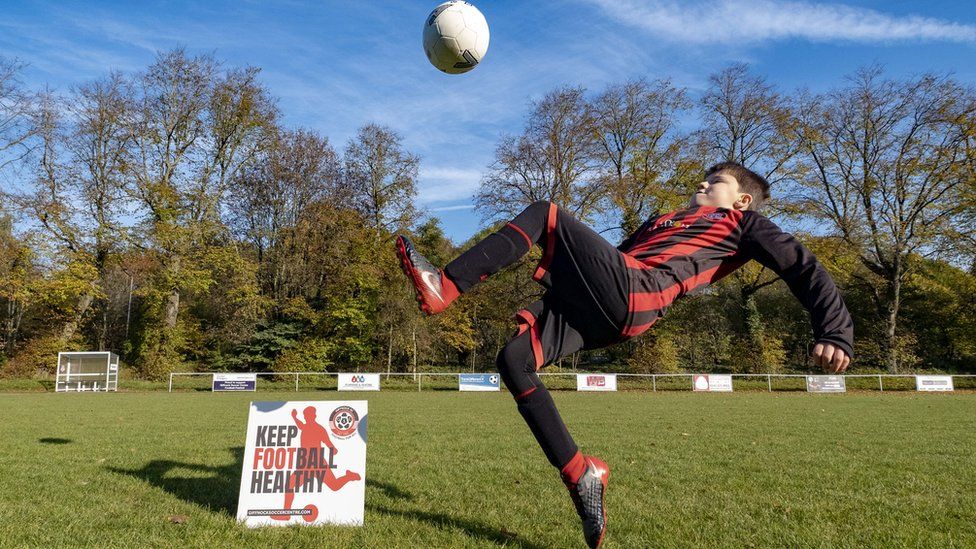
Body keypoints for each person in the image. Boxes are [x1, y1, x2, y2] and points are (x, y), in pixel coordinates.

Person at [395, 161, 854, 548]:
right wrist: (550, 304)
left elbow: (803, 266)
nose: (702, 184)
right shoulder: (659, 221)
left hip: (641, 293)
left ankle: (447, 284)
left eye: (715, 182)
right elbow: (604, 262)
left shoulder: (742, 225)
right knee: (513, 360)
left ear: (742, 200)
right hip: (608, 306)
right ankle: (581, 473)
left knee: (545, 212)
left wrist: (834, 330)